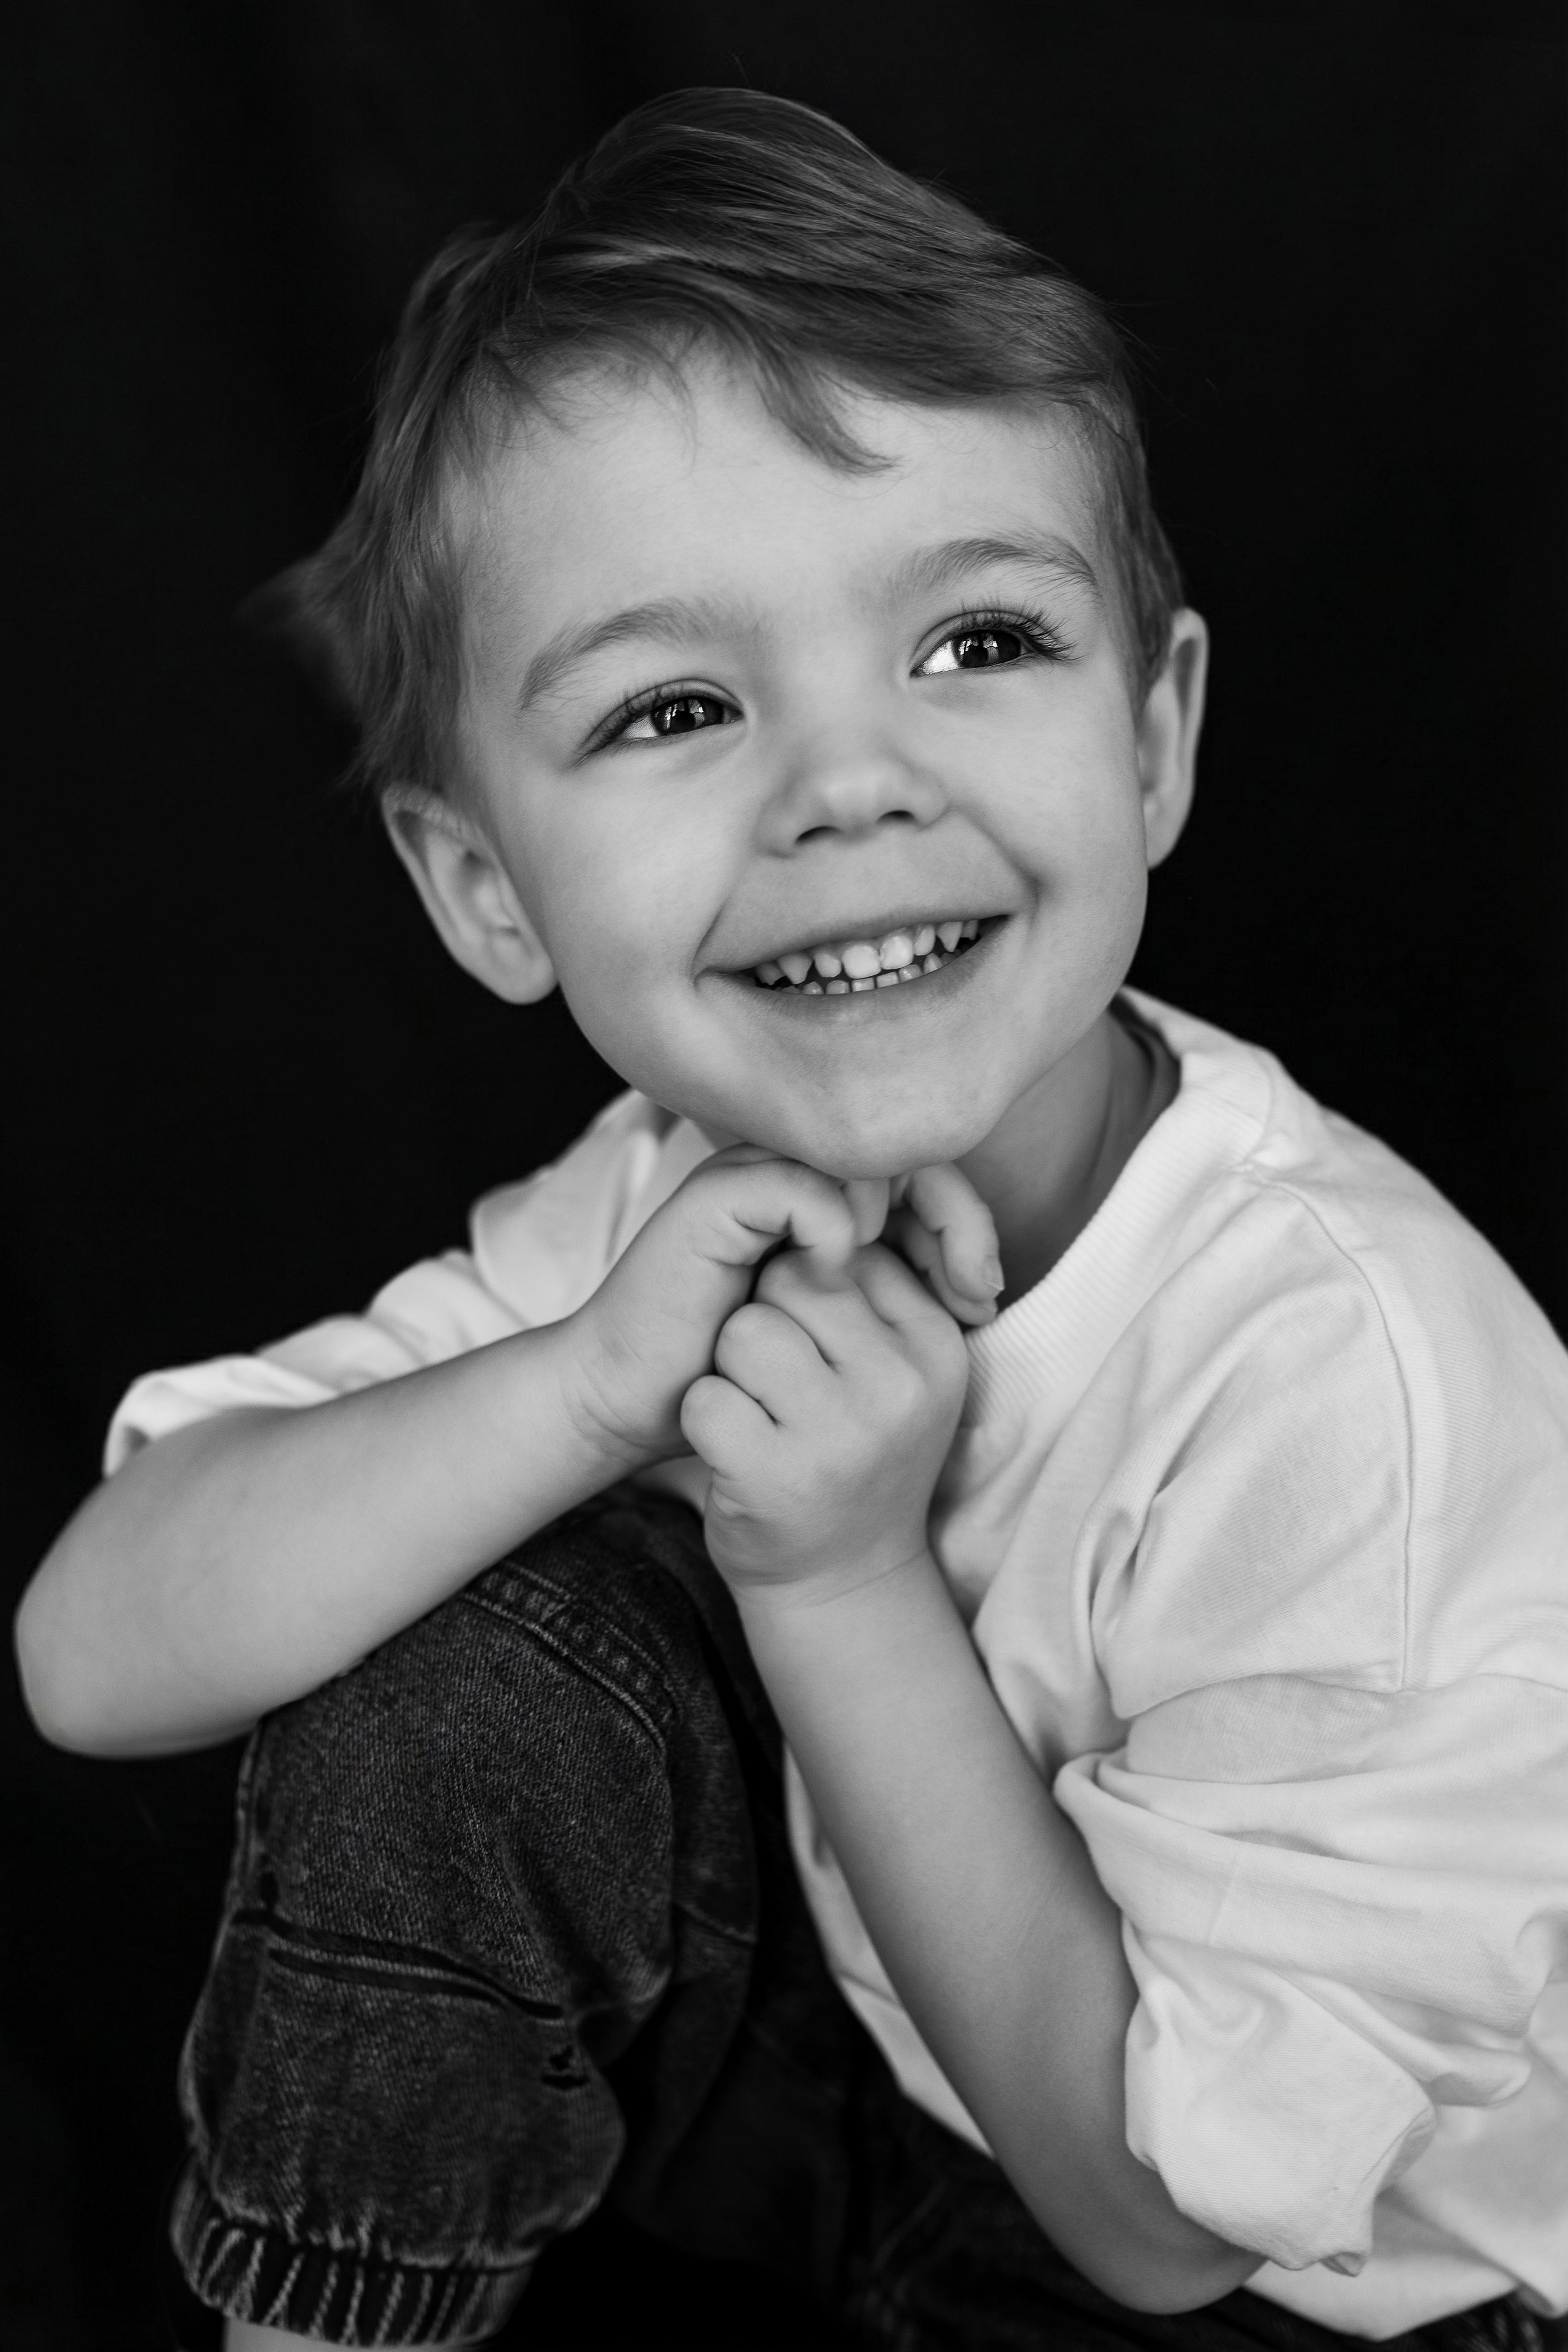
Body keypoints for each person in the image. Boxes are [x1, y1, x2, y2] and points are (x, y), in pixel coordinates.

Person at [15, 86, 1568, 2352]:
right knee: (450, 1666)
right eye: (674, 704)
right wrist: (569, 1387)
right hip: (879, 2092)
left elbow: (1164, 2227)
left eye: (976, 646)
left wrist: (834, 1575)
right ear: (483, 891)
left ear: (1154, 738)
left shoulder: (1351, 1386)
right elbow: (88, 1656)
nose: (849, 781)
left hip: (1314, 2298)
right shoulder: (666, 1202)